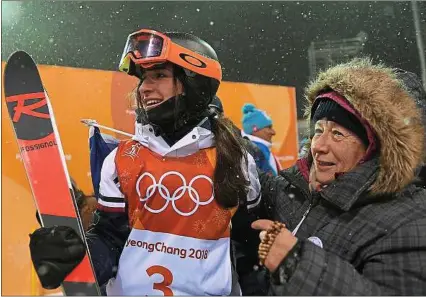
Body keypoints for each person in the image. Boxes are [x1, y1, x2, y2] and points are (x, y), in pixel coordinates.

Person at [29, 28, 261, 296]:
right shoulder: (122, 159)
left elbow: (247, 249)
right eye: (143, 79)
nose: (144, 88)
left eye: (159, 76)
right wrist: (76, 257)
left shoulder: (235, 160)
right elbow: (111, 238)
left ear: (194, 82)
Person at [251, 58, 426, 295]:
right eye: (318, 131)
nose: (319, 146)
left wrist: (296, 267)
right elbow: (264, 185)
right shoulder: (301, 189)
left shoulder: (409, 221)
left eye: (337, 134)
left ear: (372, 147)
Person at [241, 103, 281, 176]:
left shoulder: (260, 149)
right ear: (255, 129)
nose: (273, 132)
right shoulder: (256, 150)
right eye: (269, 127)